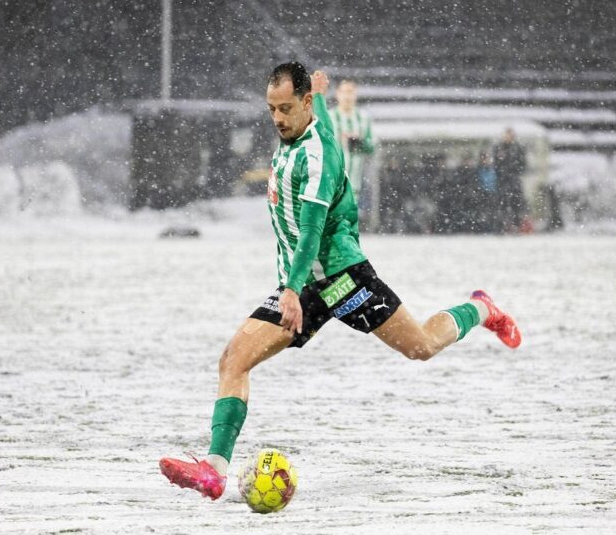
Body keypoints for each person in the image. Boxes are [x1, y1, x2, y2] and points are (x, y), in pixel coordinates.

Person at [159, 63, 522, 500]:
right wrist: (322, 96)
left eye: (286, 108)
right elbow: (323, 122)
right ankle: (214, 472)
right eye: (271, 108)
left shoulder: (317, 157)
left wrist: (290, 290)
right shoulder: (305, 128)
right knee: (233, 359)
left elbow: (311, 232)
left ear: (305, 103)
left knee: (422, 346)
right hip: (303, 285)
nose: (277, 118)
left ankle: (483, 308)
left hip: (342, 278)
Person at [328, 79, 374, 210]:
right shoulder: (329, 117)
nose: (347, 96)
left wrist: (360, 143)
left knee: (347, 219)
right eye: (344, 92)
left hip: (356, 181)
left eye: (351, 92)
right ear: (337, 94)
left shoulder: (364, 118)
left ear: (356, 94)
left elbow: (372, 147)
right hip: (332, 180)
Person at [492, 128, 527, 232]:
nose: (508, 137)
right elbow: (495, 164)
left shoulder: (518, 148)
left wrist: (513, 170)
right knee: (502, 204)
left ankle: (516, 225)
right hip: (502, 181)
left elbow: (523, 165)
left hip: (514, 180)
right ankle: (502, 226)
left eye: (510, 135)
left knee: (516, 203)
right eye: (507, 135)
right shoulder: (498, 148)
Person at [475, 151, 501, 233]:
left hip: (492, 193)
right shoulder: (478, 170)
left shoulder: (493, 169)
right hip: (482, 193)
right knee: (483, 212)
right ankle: (483, 229)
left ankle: (493, 228)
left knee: (492, 212)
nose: (485, 160)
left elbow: (496, 181)